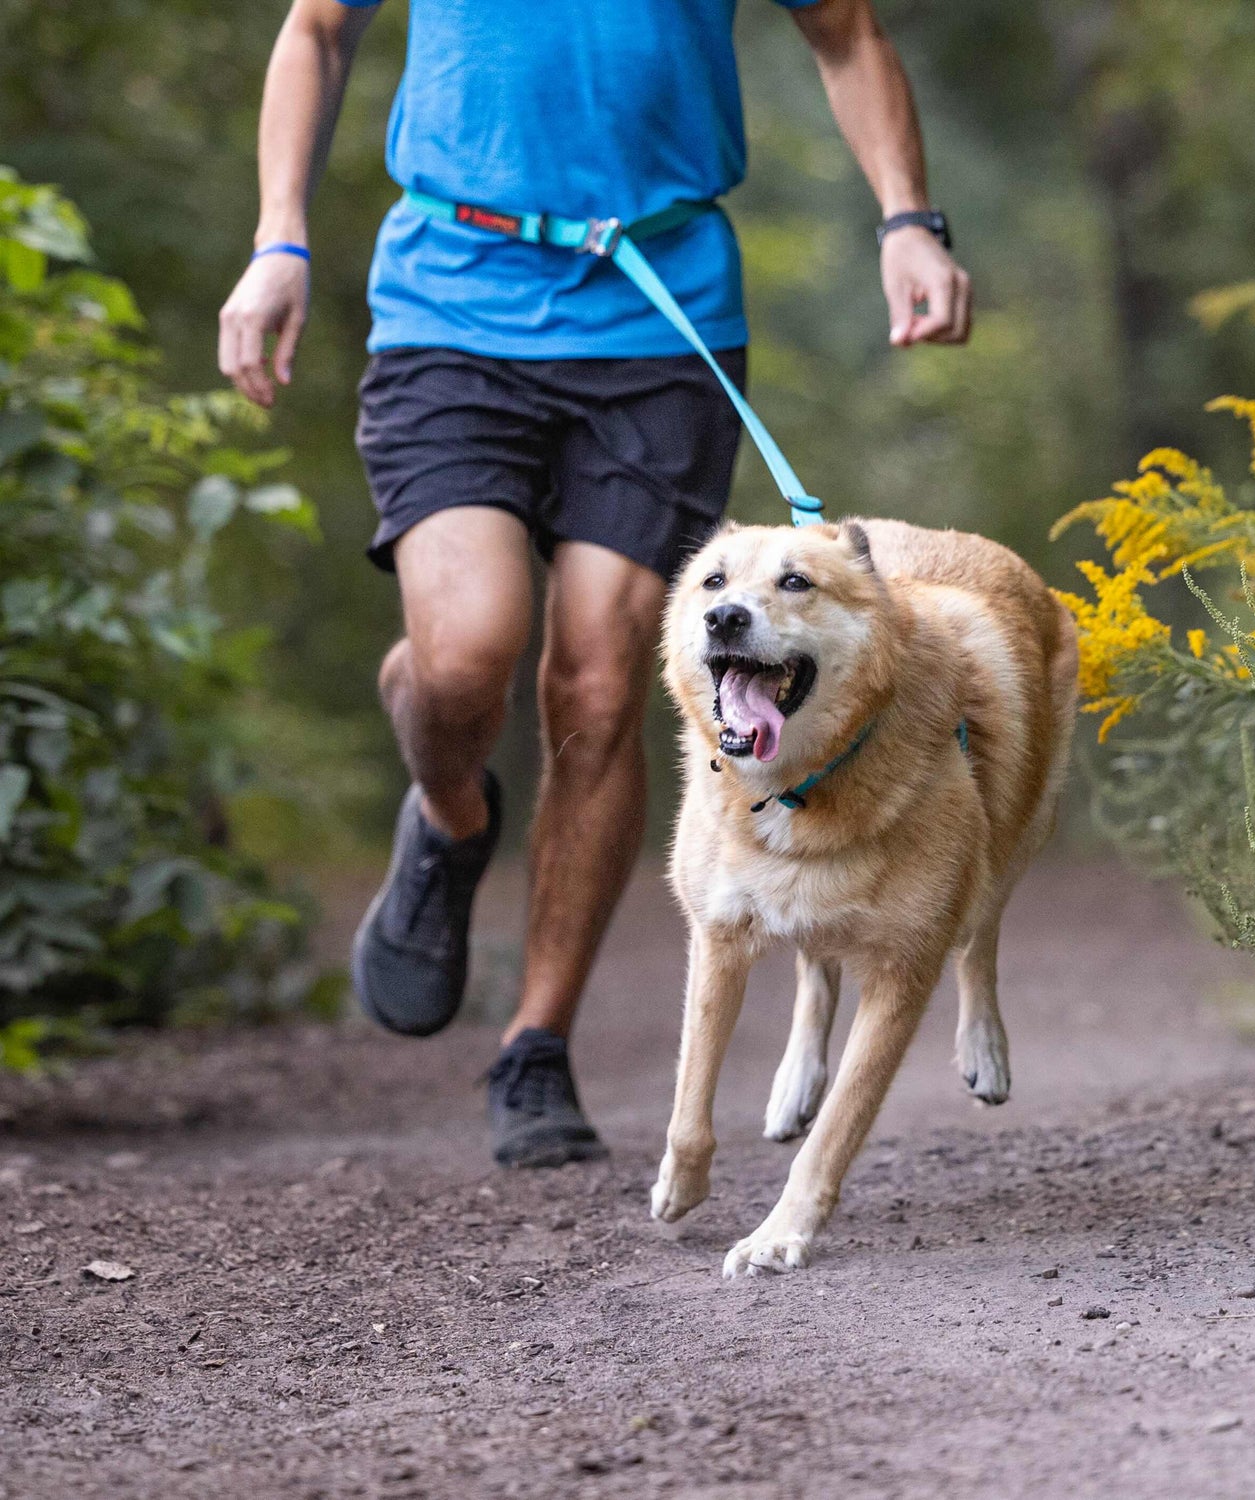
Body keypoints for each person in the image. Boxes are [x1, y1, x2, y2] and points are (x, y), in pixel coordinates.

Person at [217, 0, 972, 1168]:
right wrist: (279, 241)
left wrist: (907, 221)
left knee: (602, 683)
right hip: (450, 304)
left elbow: (849, 32)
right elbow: (316, 29)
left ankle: (535, 1043)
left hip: (660, 318)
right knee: (466, 656)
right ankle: (451, 816)